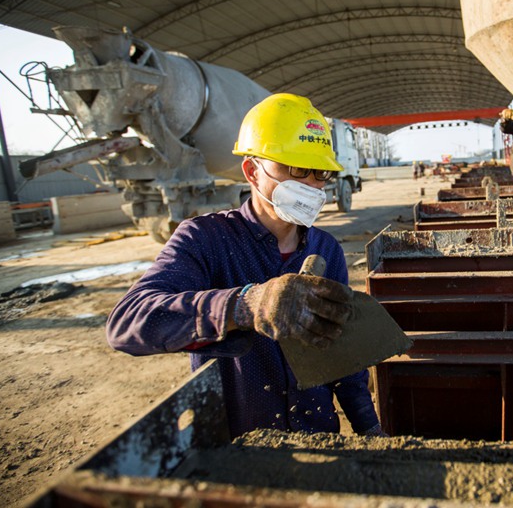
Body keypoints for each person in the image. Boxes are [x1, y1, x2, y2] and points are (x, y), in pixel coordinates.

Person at [106, 93, 384, 439]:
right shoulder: (205, 240)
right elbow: (127, 324)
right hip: (239, 449)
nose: (312, 185)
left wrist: (370, 427)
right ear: (253, 171)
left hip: (318, 440)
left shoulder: (325, 249)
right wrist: (245, 305)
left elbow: (342, 353)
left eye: (320, 172)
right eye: (297, 169)